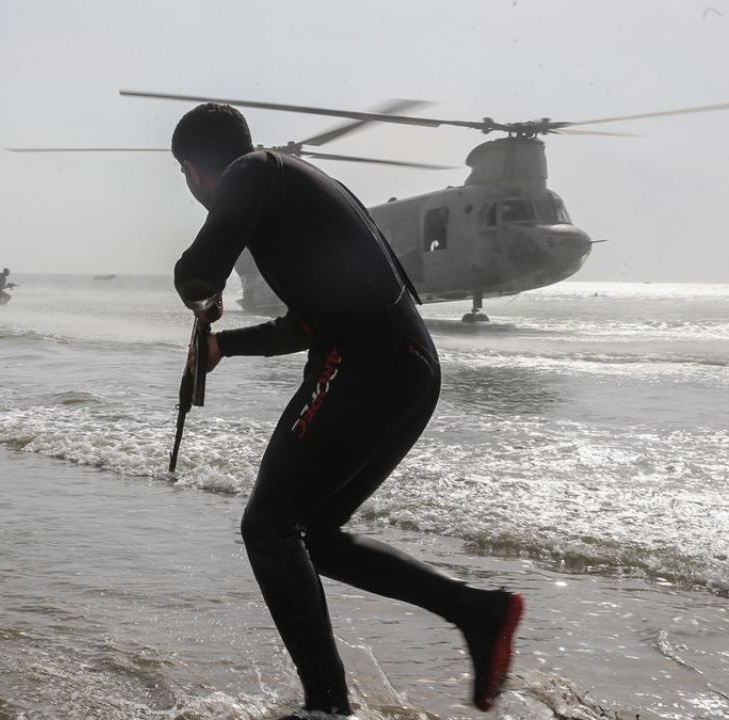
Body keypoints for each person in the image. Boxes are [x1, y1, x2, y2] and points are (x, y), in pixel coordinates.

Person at [168, 103, 522, 719]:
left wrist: (202, 297)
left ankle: (327, 708)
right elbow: (312, 319)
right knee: (316, 536)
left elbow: (196, 270)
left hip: (366, 360)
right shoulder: (293, 187)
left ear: (196, 170)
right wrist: (226, 344)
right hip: (407, 365)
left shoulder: (251, 171)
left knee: (268, 526)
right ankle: (479, 613)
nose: (194, 189)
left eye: (186, 176)